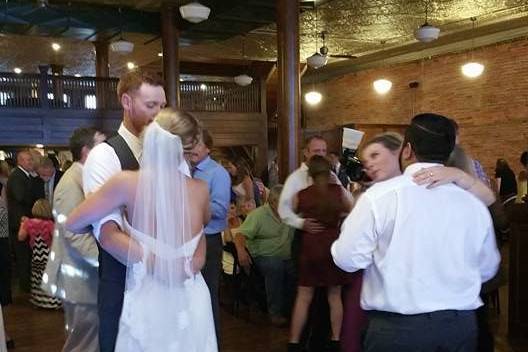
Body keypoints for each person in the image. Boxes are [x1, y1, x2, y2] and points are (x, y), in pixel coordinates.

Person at [332, 113, 501, 351]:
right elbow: (487, 268)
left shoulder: (379, 197)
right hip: (459, 327)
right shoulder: (472, 203)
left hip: (398, 330)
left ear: (407, 150)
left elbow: (347, 259)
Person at [66, 109, 217, 352]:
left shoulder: (126, 183)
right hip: (191, 295)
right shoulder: (200, 189)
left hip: (149, 297)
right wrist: (191, 263)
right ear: (186, 148)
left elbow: (73, 222)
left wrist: (111, 221)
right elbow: (203, 228)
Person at [81, 70, 166, 352]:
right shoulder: (105, 156)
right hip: (125, 285)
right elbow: (108, 235)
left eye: (162, 107)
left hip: (167, 287)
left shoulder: (167, 154)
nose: (160, 114)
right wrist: (161, 263)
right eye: (151, 106)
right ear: (127, 102)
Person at [42, 127, 105, 352]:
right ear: (87, 152)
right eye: (103, 146)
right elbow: (74, 235)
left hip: (87, 278)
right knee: (83, 344)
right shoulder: (71, 184)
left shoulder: (84, 177)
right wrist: (109, 262)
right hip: (81, 279)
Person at [288, 156, 352, 352]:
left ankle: (294, 342)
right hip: (332, 246)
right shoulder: (339, 192)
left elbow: (292, 210)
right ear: (330, 171)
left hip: (311, 246)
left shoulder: (302, 194)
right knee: (335, 296)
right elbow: (350, 209)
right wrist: (336, 218)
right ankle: (335, 339)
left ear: (310, 174)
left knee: (304, 297)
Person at [186, 129, 231, 341]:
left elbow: (221, 210)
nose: (192, 148)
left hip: (209, 239)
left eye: (197, 144)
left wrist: (191, 208)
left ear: (208, 148)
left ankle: (212, 342)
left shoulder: (217, 173)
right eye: (190, 143)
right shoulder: (185, 169)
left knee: (207, 293)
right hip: (187, 241)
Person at [233, 185, 295, 327]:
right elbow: (240, 235)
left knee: (296, 269)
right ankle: (275, 313)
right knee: (276, 267)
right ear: (272, 202)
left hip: (287, 256)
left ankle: (291, 310)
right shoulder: (258, 215)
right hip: (264, 256)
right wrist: (241, 251)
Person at [7, 150, 43, 292]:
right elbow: (20, 196)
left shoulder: (24, 176)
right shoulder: (17, 176)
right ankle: (25, 288)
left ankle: (28, 285)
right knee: (23, 256)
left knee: (27, 255)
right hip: (20, 221)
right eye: (28, 160)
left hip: (25, 220)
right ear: (20, 161)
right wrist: (36, 201)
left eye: (31, 160)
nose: (31, 162)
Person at [18, 199, 61, 309]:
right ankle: (52, 302)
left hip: (36, 256)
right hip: (48, 256)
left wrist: (23, 225)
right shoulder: (50, 224)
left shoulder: (28, 223)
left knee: (37, 278)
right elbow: (57, 240)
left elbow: (21, 237)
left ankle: (39, 301)